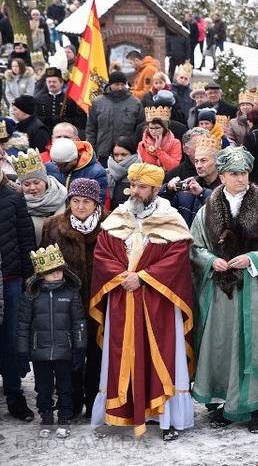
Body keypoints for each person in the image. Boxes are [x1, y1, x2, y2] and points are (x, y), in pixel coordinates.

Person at [89, 163, 194, 440]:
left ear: (155, 190)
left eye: (141, 187)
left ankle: (165, 417)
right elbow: (103, 254)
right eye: (132, 185)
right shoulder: (118, 217)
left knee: (162, 354)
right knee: (118, 355)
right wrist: (123, 275)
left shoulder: (171, 218)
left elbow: (177, 258)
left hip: (158, 301)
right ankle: (117, 413)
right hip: (122, 297)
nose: (134, 191)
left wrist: (144, 277)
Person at [190, 146, 258, 433]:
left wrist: (253, 258)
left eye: (245, 173)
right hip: (220, 295)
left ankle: (252, 408)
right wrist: (210, 261)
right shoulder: (206, 211)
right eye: (234, 174)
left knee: (254, 347)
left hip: (253, 292)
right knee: (222, 348)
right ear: (221, 176)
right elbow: (194, 247)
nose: (241, 179)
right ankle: (227, 404)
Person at [40, 178, 109, 416]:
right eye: (76, 201)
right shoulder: (53, 226)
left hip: (101, 302)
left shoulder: (110, 226)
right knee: (67, 357)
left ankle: (94, 403)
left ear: (96, 203)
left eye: (87, 202)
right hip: (65, 305)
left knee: (97, 355)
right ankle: (71, 402)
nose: (80, 207)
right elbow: (43, 268)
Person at [17, 245, 86, 438]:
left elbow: (79, 324)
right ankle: (46, 416)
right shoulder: (31, 296)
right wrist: (22, 352)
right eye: (50, 272)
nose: (56, 274)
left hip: (65, 352)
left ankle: (64, 417)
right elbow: (22, 326)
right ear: (40, 274)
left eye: (58, 270)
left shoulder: (71, 294)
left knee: (66, 387)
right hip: (40, 353)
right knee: (43, 388)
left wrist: (80, 348)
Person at [0, 166, 36, 422]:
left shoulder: (13, 197)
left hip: (9, 280)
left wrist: (27, 279)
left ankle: (15, 396)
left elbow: (25, 242)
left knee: (10, 342)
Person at [161, 134, 221, 228]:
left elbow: (224, 211)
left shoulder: (227, 187)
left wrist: (202, 193)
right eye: (196, 161)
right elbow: (162, 210)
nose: (199, 166)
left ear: (217, 162)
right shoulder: (188, 186)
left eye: (203, 161)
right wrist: (168, 190)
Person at [86, 71, 145, 162]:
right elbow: (91, 128)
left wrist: (135, 147)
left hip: (127, 154)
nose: (120, 88)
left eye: (122, 84)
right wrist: (92, 150)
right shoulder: (98, 102)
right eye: (117, 84)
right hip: (103, 153)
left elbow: (141, 128)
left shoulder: (135, 103)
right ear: (110, 85)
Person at [11, 148, 66, 243]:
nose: (32, 188)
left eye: (37, 182)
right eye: (27, 184)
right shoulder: (16, 204)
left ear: (45, 181)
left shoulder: (63, 197)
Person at [45, 136, 108, 203]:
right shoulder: (49, 167)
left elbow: (98, 202)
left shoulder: (97, 173)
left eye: (62, 165)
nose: (57, 167)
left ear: (74, 159)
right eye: (55, 163)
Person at [34, 67, 87, 132]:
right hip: (45, 133)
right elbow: (35, 118)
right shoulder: (39, 99)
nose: (51, 84)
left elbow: (79, 120)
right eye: (49, 82)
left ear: (61, 82)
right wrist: (50, 120)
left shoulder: (70, 100)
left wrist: (65, 121)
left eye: (54, 82)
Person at [106, 136, 141, 210]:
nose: (119, 158)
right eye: (116, 155)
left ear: (133, 154)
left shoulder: (142, 173)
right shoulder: (106, 174)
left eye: (123, 155)